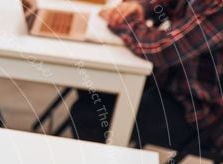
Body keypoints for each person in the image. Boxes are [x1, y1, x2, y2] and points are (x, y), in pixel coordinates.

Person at [68, 0, 223, 149]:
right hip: (169, 81)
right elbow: (165, 3)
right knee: (96, 82)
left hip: (198, 111)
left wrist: (125, 23)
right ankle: (109, 159)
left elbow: (162, 50)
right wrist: (138, 7)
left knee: (88, 115)